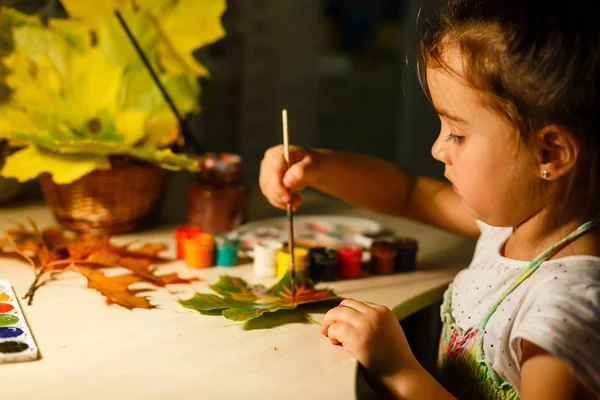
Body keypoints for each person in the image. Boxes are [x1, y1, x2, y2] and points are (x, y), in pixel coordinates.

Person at [259, 0, 600, 398]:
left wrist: (398, 371)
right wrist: (317, 167)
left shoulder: (566, 313)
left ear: (549, 154)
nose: (438, 148)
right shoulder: (512, 225)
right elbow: (411, 194)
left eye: (457, 133)